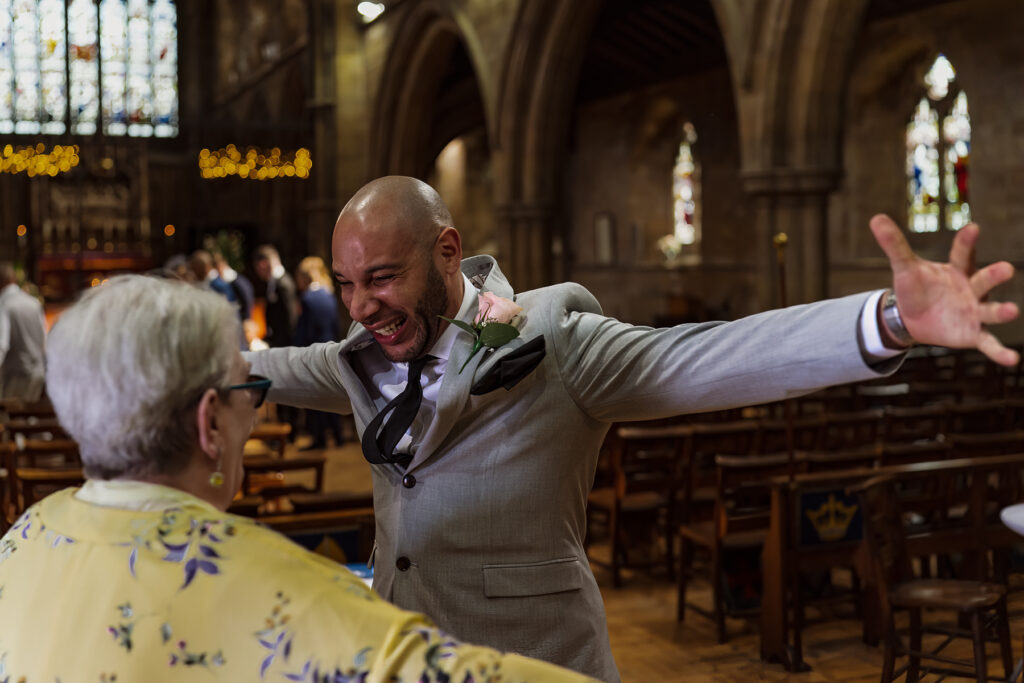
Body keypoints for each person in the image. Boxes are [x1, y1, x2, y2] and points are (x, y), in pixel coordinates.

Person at [247, 176, 1020, 682]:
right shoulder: (358, 353)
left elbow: (710, 357)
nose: (361, 305)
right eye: (347, 285)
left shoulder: (554, 336)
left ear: (447, 251)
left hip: (538, 660)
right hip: (410, 659)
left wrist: (889, 320)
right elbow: (262, 367)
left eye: (381, 278)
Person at [0, 274, 597, 682]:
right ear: (210, 423)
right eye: (248, 388)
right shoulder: (277, 591)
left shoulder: (20, 540)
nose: (254, 406)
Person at [294, 256, 345, 448]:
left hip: (313, 351)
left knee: (315, 397)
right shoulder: (328, 294)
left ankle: (319, 438)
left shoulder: (307, 298)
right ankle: (338, 436)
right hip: (330, 347)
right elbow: (335, 325)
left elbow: (304, 331)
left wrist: (298, 353)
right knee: (331, 393)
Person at [0, 261, 46, 401]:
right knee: (29, 419)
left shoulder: (4, 305)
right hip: (38, 372)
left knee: (8, 419)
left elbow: (2, 344)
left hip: (16, 375)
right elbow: (43, 337)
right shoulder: (33, 303)